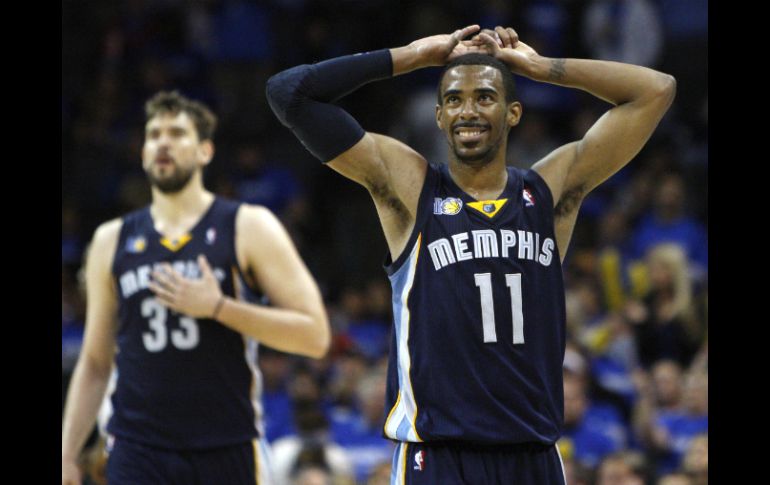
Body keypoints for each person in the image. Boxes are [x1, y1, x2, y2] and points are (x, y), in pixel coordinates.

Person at [267, 24, 675, 484]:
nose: (469, 111)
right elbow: (289, 94)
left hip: (532, 454)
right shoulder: (412, 187)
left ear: (513, 112)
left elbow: (656, 90)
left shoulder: (549, 191)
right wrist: (413, 55)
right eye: (455, 100)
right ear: (439, 116)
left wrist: (542, 69)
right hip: (440, 457)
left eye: (484, 97)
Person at [61, 91, 331, 485]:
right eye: (153, 135)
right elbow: (96, 361)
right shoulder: (111, 240)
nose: (163, 142)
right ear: (142, 153)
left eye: (177, 133)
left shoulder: (248, 225)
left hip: (226, 445)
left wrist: (220, 308)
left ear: (205, 151)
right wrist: (68, 453)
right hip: (137, 448)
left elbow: (315, 336)